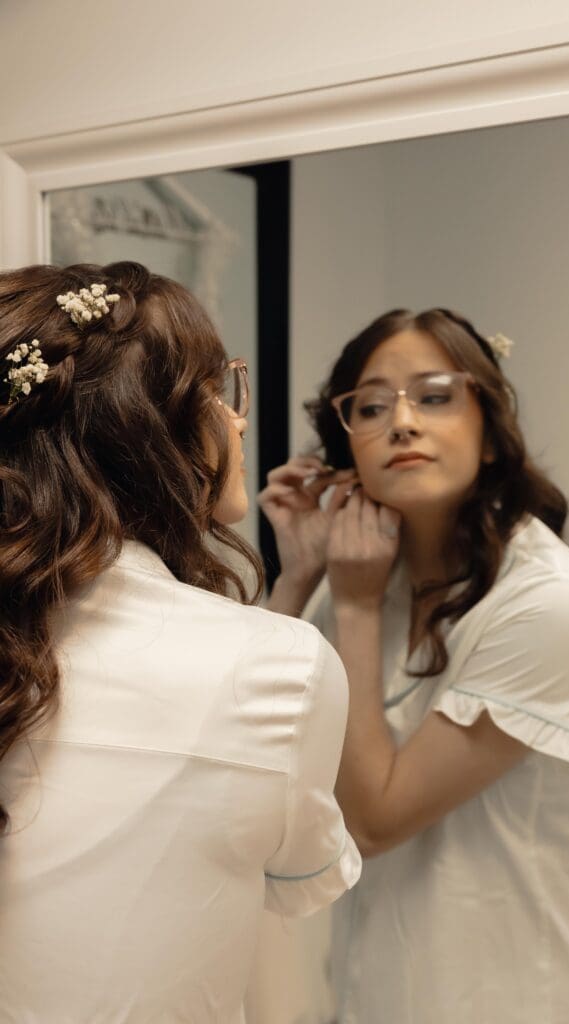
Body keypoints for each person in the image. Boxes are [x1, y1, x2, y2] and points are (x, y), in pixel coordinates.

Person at [0, 262, 360, 1024]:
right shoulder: (281, 671)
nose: (236, 420)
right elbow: (300, 880)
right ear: (151, 430)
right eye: (220, 390)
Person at [260, 308, 569, 1024]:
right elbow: (246, 751)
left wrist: (352, 609)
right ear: (347, 449)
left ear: (490, 436)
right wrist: (298, 574)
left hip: (516, 999)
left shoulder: (555, 602)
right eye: (369, 405)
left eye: (433, 395)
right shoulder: (354, 581)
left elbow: (375, 819)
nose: (401, 422)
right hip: (370, 991)